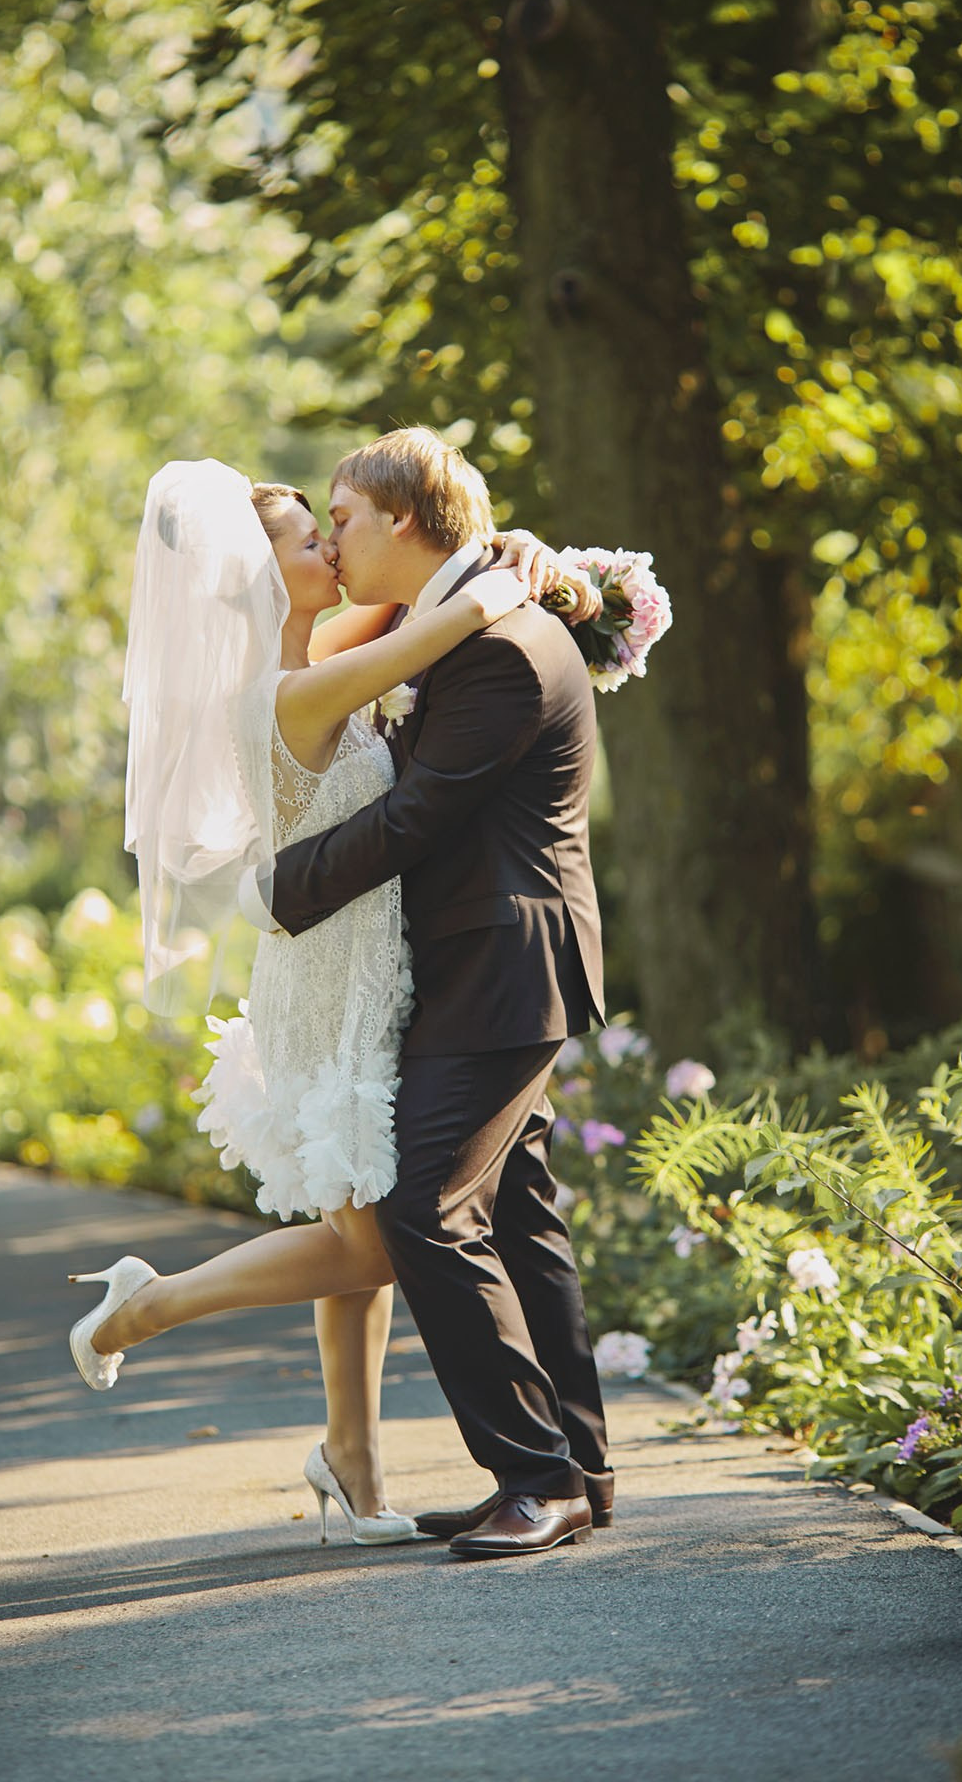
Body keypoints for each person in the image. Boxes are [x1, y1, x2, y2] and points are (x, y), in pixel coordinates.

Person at [68, 454, 590, 1547]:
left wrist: (521, 559)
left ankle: (353, 1457)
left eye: (331, 525)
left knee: (361, 1211)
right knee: (377, 1236)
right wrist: (504, 574)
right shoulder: (293, 685)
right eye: (310, 539)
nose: (330, 549)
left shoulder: (317, 652)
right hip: (329, 967)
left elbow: (423, 608)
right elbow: (434, 628)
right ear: (259, 583)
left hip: (368, 960)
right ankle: (148, 1302)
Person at [243, 428, 613, 1561]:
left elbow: (416, 820)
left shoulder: (496, 641)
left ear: (403, 520)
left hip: (504, 959)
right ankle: (577, 1471)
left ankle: (535, 1474)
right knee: (514, 1212)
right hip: (477, 961)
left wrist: (275, 889)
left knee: (422, 1206)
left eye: (343, 516)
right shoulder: (446, 623)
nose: (333, 536)